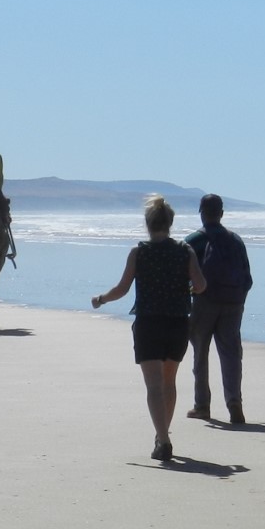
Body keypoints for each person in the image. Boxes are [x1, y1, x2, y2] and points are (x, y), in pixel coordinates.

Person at [91, 194, 206, 462]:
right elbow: (200, 285)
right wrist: (187, 287)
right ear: (170, 223)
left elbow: (122, 289)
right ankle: (163, 434)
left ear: (148, 224)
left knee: (153, 386)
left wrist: (101, 299)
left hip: (148, 323)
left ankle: (162, 439)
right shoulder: (184, 251)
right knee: (169, 382)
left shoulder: (139, 251)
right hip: (177, 322)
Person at [182, 194, 253, 424]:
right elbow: (248, 279)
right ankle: (234, 402)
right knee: (231, 354)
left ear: (201, 212)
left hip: (204, 302)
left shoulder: (193, 241)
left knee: (200, 354)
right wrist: (238, 300)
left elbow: (181, 276)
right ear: (222, 213)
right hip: (233, 304)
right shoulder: (236, 241)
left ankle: (202, 405)